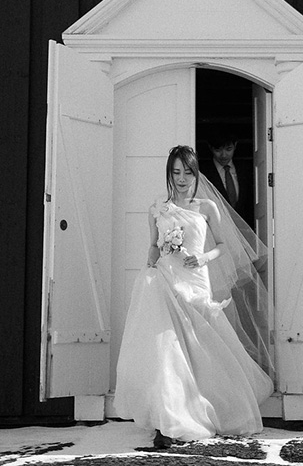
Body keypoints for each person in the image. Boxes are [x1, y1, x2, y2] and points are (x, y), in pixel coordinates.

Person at [113, 145, 273, 447]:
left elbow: (224, 245)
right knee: (167, 352)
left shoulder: (206, 208)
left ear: (196, 173)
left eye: (187, 171)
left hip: (196, 282)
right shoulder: (157, 208)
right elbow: (153, 246)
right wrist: (151, 263)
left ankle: (208, 409)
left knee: (202, 348)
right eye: (176, 172)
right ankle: (169, 421)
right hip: (165, 281)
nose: (182, 178)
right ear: (169, 174)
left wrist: (204, 258)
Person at [200, 130, 254, 226]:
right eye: (218, 150)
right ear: (210, 148)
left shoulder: (245, 170)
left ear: (235, 145)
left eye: (228, 149)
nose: (223, 155)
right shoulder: (203, 172)